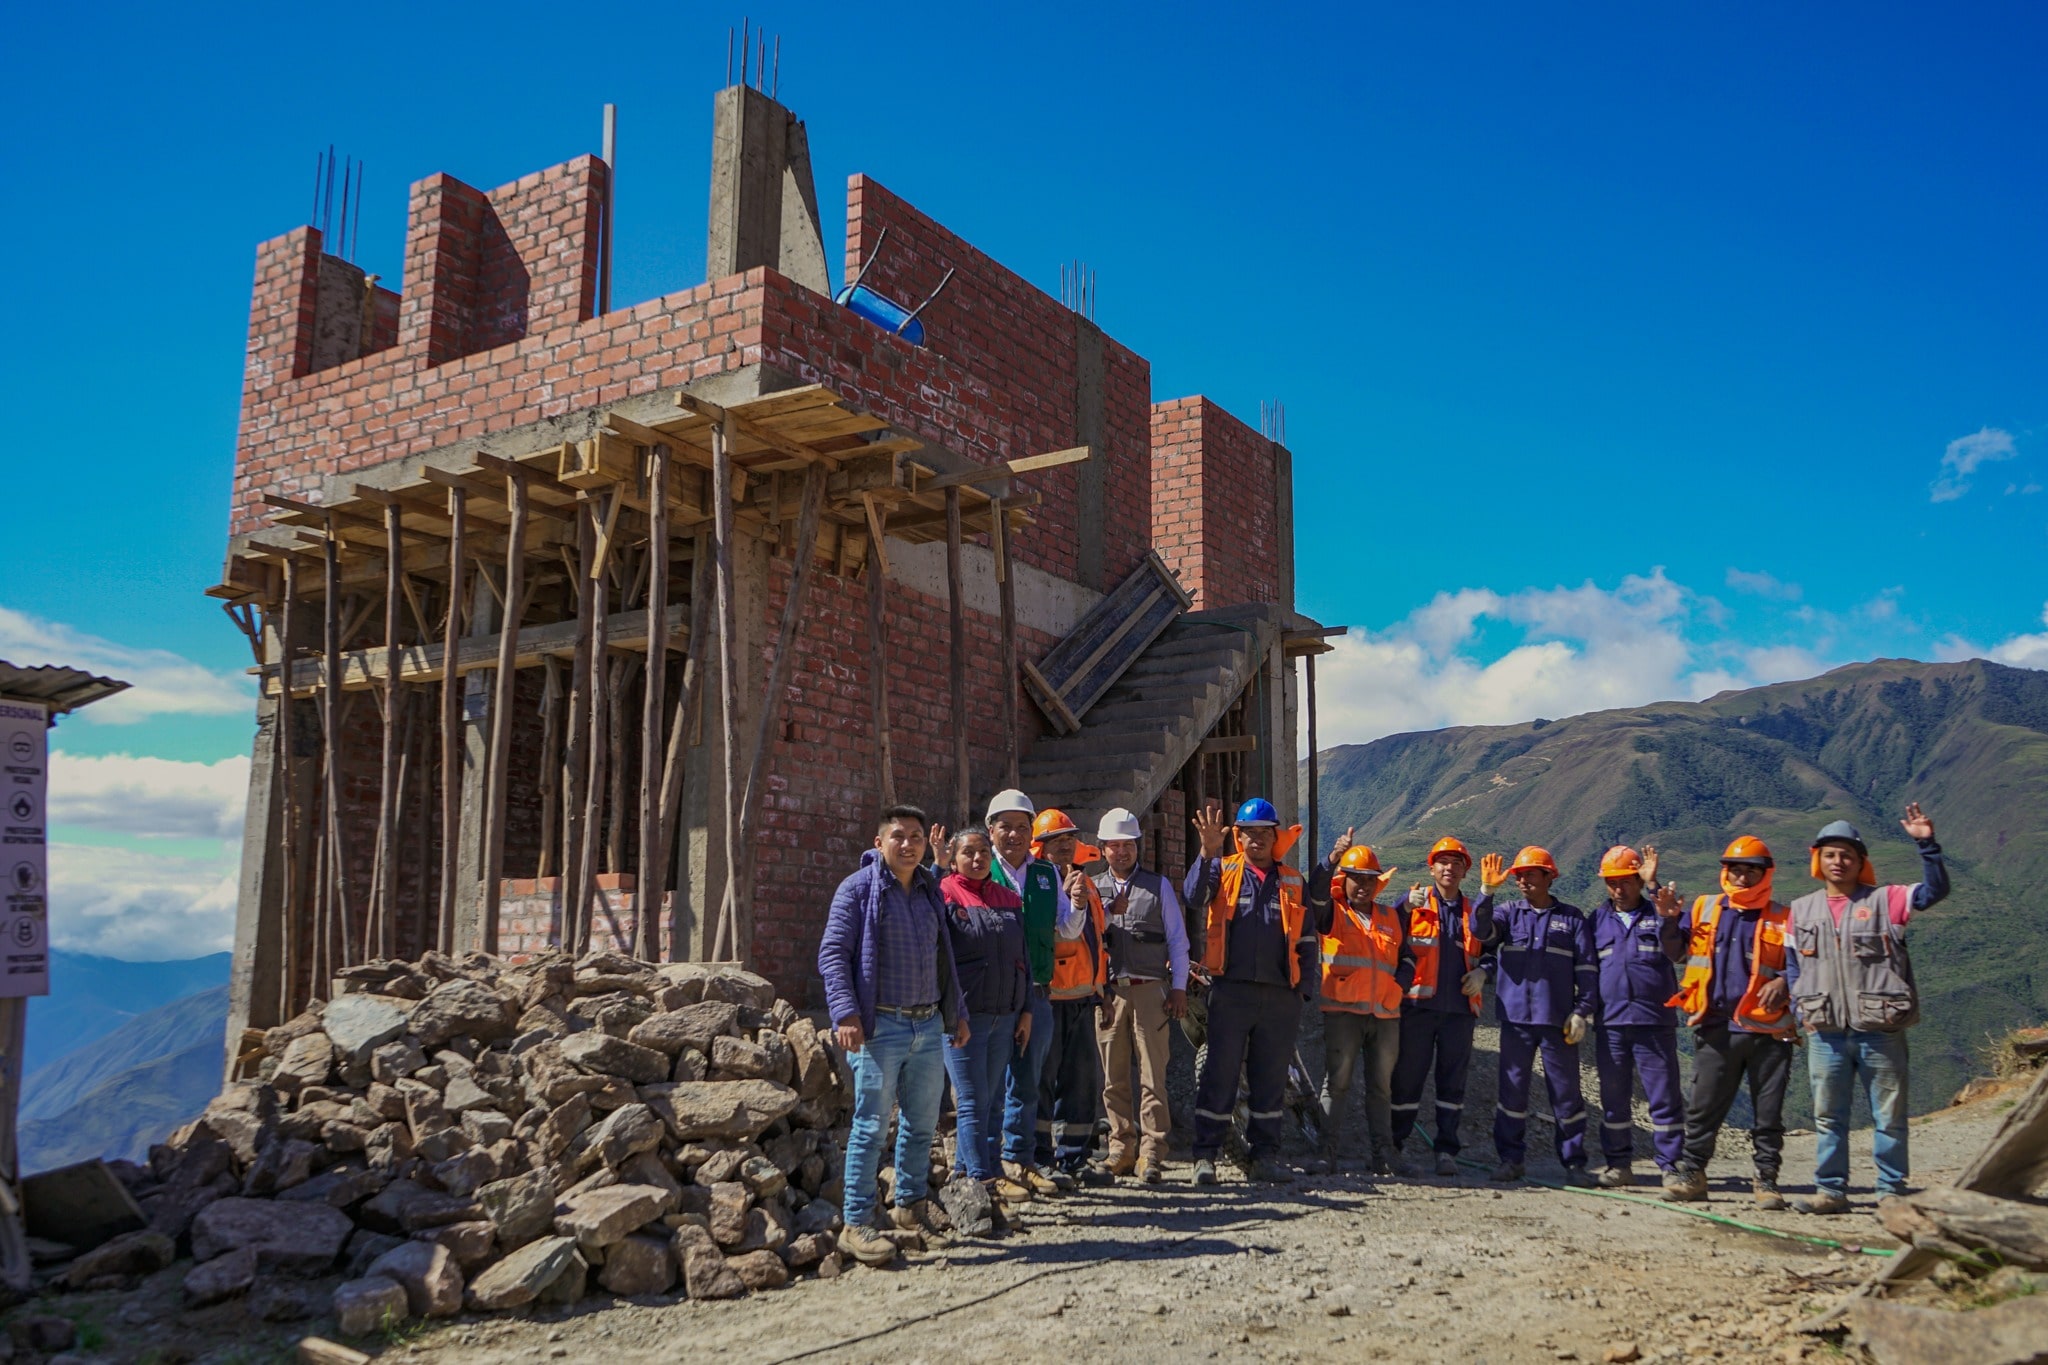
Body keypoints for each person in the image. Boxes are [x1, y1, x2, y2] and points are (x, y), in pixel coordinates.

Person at [818, 805, 970, 1266]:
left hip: (927, 1026)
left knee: (922, 1123)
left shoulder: (929, 892)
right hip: (879, 1027)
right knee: (869, 1126)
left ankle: (908, 1211)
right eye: (899, 836)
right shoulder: (858, 890)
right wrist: (846, 1014)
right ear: (880, 841)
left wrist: (955, 1013)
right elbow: (833, 954)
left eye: (917, 837)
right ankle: (857, 1222)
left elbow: (944, 959)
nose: (908, 845)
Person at [1787, 805, 1950, 1214]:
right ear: (1817, 860)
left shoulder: (1887, 900)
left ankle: (1891, 1192)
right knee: (1828, 1117)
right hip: (1825, 1030)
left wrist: (1926, 844)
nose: (1838, 861)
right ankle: (1831, 1191)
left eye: (1847, 855)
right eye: (1830, 854)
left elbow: (1934, 891)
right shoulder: (1800, 910)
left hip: (1880, 1029)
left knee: (1890, 1116)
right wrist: (1799, 1009)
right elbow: (1793, 966)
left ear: (1861, 862)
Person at [1183, 797, 1327, 1184]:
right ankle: (1206, 1157)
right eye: (1249, 833)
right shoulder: (1223, 870)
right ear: (1239, 837)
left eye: (1265, 833)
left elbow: (1309, 942)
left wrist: (1303, 992)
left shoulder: (1293, 881)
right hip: (1231, 993)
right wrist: (1207, 852)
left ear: (1274, 836)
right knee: (1220, 1074)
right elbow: (1193, 896)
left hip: (1281, 997)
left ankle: (1265, 1157)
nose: (1257, 840)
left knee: (1270, 1079)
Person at [1661, 836, 1798, 1209]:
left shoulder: (1783, 917)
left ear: (1765, 874)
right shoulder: (1704, 908)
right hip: (1716, 1026)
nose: (1740, 876)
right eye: (1734, 869)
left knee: (1767, 1113)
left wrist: (1785, 982)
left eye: (1749, 870)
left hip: (1768, 1032)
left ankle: (1766, 1180)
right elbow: (1675, 952)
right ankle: (1692, 1173)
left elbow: (1803, 967)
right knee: (1703, 1108)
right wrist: (1670, 921)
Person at [1476, 846, 1597, 1186]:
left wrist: (1582, 1011)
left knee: (1567, 1093)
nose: (1523, 880)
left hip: (1558, 1022)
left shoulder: (1572, 919)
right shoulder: (1507, 913)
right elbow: (1480, 933)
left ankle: (1574, 1163)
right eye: (1519, 875)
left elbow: (1587, 969)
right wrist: (1486, 893)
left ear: (1549, 876)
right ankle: (1511, 1160)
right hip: (1515, 1021)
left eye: (1530, 874)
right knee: (1512, 1091)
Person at [1092, 807, 1190, 1184]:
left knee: (1153, 1076)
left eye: (1128, 845)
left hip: (1151, 991)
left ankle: (1152, 1151)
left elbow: (1178, 941)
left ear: (1138, 847)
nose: (1121, 852)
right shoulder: (1091, 888)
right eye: (1114, 845)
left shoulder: (1158, 886)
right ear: (1102, 849)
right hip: (1109, 993)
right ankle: (1121, 1146)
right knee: (1113, 1077)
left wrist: (1178, 987)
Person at [938, 827, 1035, 1204]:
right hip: (965, 1017)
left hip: (1004, 1016)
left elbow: (1022, 960)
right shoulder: (944, 894)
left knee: (991, 1099)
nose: (977, 859)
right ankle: (983, 1185)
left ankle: (968, 1178)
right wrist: (952, 1014)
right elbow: (941, 958)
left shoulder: (1008, 898)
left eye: (983, 852)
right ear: (954, 857)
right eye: (968, 853)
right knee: (973, 1100)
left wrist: (1025, 1010)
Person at [1389, 837, 1494, 1177]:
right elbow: (1386, 932)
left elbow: (1492, 949)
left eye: (1456, 862)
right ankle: (1395, 1146)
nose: (1449, 868)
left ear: (1465, 870)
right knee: (1407, 1079)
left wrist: (1484, 972)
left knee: (1452, 1083)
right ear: (1431, 867)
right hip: (1418, 1008)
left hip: (1459, 1012)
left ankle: (1446, 1150)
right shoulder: (1415, 906)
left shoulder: (1473, 912)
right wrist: (1405, 903)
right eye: (1443, 862)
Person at [1312, 835, 1415, 1174]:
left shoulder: (1391, 917)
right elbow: (1315, 893)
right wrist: (1332, 859)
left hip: (1386, 1015)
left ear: (1377, 883)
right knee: (1337, 1084)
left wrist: (1398, 986)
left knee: (1381, 1088)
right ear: (1345, 880)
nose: (1364, 886)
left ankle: (1383, 1156)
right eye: (1357, 878)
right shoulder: (1333, 913)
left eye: (1370, 879)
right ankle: (1325, 1153)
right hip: (1343, 1012)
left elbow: (1408, 958)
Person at [1587, 845, 1688, 1189]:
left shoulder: (1659, 913)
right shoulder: (1596, 921)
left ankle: (1672, 1166)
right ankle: (1619, 1164)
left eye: (1627, 880)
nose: (1619, 888)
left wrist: (1657, 888)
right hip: (1611, 1024)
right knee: (1614, 1099)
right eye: (1612, 882)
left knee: (1664, 1097)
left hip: (1653, 1023)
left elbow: (1678, 952)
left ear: (1638, 879)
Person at [985, 789, 1069, 1197]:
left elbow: (1066, 927)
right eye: (1007, 827)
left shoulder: (1045, 874)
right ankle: (989, 1164)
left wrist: (1083, 905)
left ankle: (1020, 1160)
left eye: (1023, 827)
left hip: (1036, 989)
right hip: (993, 993)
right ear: (991, 830)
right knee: (991, 1080)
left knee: (1028, 1077)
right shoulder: (980, 870)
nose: (1015, 835)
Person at [1030, 807, 1108, 1181]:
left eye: (1068, 840)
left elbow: (1095, 940)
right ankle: (1041, 1156)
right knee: (1043, 1082)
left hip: (1081, 996)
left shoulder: (1085, 882)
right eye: (1056, 841)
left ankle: (1075, 1157)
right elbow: (1054, 934)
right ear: (1040, 847)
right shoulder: (1037, 881)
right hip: (1048, 996)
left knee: (1081, 1081)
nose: (1065, 847)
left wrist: (1101, 991)